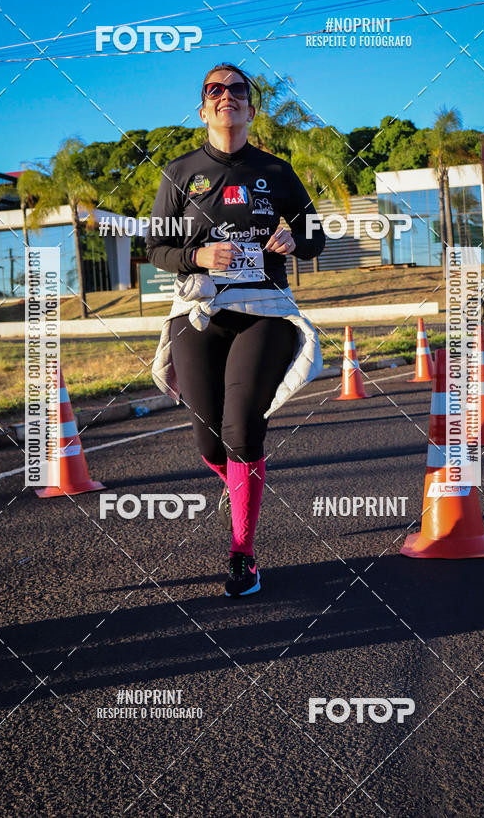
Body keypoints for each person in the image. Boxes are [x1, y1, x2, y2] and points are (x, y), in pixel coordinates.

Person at [145, 62, 326, 598]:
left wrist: (296, 241)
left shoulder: (276, 170)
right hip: (198, 309)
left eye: (237, 90)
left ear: (251, 108)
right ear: (203, 109)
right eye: (214, 90)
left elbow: (317, 234)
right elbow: (155, 248)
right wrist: (198, 253)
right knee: (210, 438)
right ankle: (244, 485)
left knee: (243, 426)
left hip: (264, 309)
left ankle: (242, 553)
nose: (227, 96)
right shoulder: (179, 173)